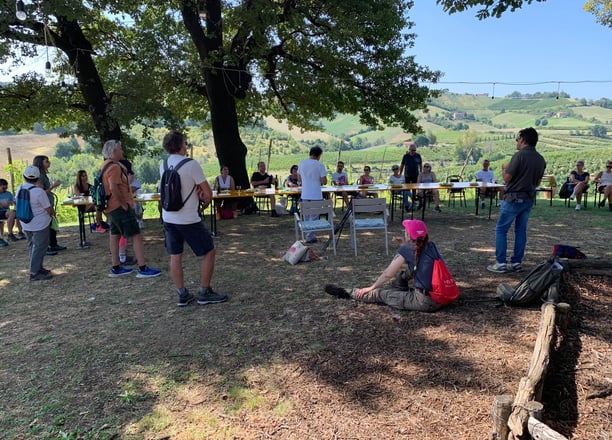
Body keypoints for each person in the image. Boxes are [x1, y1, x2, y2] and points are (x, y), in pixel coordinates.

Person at [160, 130, 228, 307]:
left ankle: (182, 293)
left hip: (168, 216)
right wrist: (201, 199)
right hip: (188, 217)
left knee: (175, 255)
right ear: (182, 145)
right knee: (209, 251)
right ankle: (204, 291)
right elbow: (207, 193)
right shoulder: (191, 165)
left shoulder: (164, 164)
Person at [324, 219, 447, 312]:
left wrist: (371, 287)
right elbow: (417, 258)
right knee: (409, 271)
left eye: (406, 231)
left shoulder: (407, 249)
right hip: (441, 297)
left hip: (425, 302)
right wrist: (404, 246)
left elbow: (388, 274)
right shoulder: (431, 246)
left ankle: (349, 292)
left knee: (380, 294)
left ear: (409, 235)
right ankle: (400, 287)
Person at [487, 127, 546, 274]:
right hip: (528, 199)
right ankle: (516, 262)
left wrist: (504, 169)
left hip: (513, 198)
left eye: (517, 139)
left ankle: (500, 263)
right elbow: (538, 183)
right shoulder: (540, 159)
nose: (517, 142)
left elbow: (507, 178)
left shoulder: (519, 156)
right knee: (521, 231)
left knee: (501, 229)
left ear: (523, 139)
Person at [101, 140, 161, 278]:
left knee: (114, 235)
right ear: (114, 151)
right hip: (119, 206)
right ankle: (142, 268)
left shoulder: (105, 165)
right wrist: (123, 203)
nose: (122, 151)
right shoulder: (115, 167)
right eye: (120, 149)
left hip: (110, 207)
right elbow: (113, 187)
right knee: (136, 235)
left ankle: (116, 267)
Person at [17, 166, 55, 280]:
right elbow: (48, 209)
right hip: (40, 224)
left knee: (32, 246)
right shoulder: (39, 192)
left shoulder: (20, 188)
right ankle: (34, 272)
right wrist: (53, 214)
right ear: (38, 177)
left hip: (26, 222)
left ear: (24, 177)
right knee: (40, 247)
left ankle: (38, 268)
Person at [32, 155, 66, 255]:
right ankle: (45, 247)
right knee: (45, 226)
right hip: (44, 205)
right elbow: (40, 192)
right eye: (46, 161)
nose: (49, 163)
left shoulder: (43, 174)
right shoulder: (40, 176)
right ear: (40, 163)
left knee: (51, 224)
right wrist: (53, 186)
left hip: (48, 202)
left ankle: (53, 244)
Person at [297, 146, 327, 243]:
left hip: (305, 193)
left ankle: (307, 233)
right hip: (316, 193)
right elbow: (324, 181)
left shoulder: (302, 163)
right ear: (319, 155)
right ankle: (310, 236)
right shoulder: (320, 165)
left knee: (306, 215)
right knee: (314, 216)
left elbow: (299, 178)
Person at [0, 178, 26, 243]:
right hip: (1, 211)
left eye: (6, 188)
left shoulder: (8, 194)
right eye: (3, 188)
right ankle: (10, 234)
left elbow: (14, 202)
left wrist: (12, 203)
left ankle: (20, 232)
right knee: (12, 214)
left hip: (8, 210)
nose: (5, 190)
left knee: (17, 213)